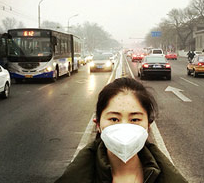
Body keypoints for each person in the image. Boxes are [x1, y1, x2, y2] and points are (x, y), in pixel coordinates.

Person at [55, 77, 187, 183]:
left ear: (148, 126)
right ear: (98, 124)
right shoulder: (75, 177)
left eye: (135, 120)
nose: (124, 127)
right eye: (114, 119)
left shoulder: (169, 178)